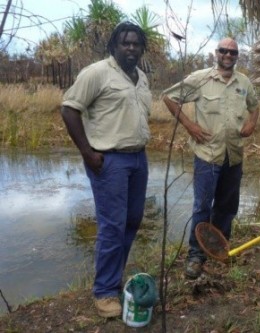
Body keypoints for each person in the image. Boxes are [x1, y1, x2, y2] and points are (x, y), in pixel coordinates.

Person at [61, 22, 151, 318]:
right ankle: (104, 292)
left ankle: (114, 276)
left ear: (142, 48)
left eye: (136, 43)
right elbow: (69, 108)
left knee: (132, 220)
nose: (131, 48)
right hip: (109, 161)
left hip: (138, 159)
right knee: (112, 225)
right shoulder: (97, 72)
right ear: (114, 45)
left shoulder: (142, 78)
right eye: (125, 43)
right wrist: (87, 153)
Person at [162, 38, 259, 279]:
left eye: (233, 52)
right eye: (224, 51)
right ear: (216, 53)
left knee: (227, 206)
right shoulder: (201, 78)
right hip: (208, 156)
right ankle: (196, 254)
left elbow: (255, 106)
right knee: (202, 206)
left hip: (233, 155)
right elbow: (168, 97)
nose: (228, 55)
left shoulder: (243, 82)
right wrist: (189, 125)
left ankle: (219, 247)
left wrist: (251, 122)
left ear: (237, 56)